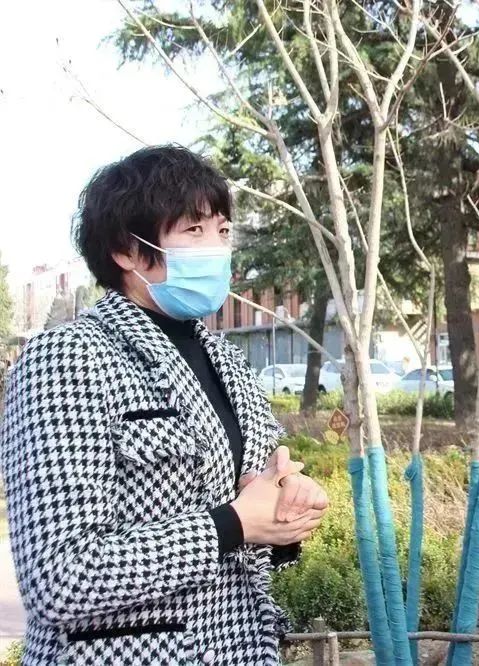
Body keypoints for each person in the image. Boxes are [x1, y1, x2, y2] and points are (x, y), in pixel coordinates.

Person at [0, 146, 330, 664]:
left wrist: (282, 511)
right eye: (193, 230)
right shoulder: (67, 358)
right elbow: (59, 576)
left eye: (223, 230)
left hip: (239, 650)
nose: (216, 248)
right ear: (126, 251)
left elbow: (249, 521)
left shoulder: (225, 357)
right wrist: (231, 524)